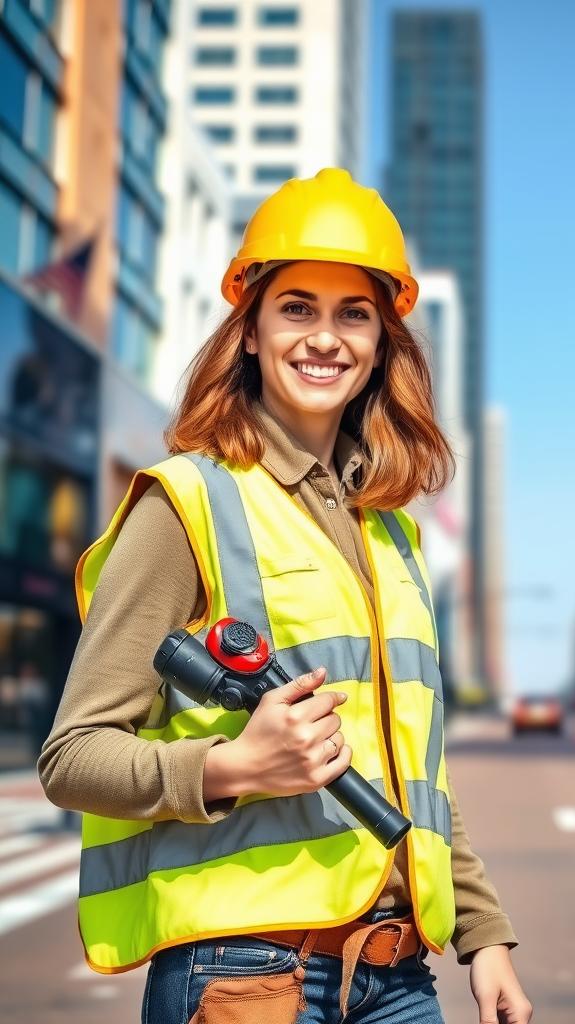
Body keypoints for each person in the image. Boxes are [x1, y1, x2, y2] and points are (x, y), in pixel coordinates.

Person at [37, 167, 533, 1024]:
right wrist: (232, 767)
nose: (325, 337)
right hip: (243, 978)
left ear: (383, 342)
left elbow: (418, 778)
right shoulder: (184, 501)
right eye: (297, 306)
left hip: (398, 973)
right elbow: (72, 756)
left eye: (355, 313)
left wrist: (484, 936)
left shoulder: (394, 535)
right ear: (254, 331)